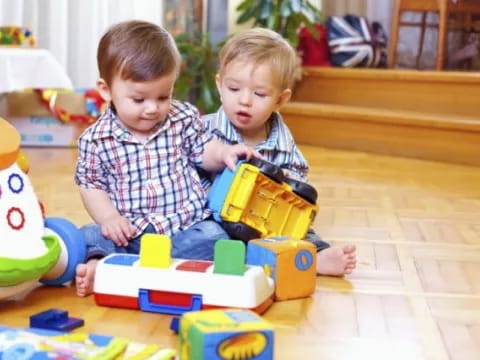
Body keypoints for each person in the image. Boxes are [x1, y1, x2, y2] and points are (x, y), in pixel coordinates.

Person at [74, 20, 257, 297]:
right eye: (138, 99)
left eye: (164, 96)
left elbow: (203, 150)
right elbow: (91, 185)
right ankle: (105, 265)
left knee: (216, 236)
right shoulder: (95, 139)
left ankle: (132, 272)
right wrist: (109, 217)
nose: (152, 109)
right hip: (131, 235)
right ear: (106, 90)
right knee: (89, 235)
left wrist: (224, 153)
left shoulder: (181, 118)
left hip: (184, 229)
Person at [202, 28, 356, 276]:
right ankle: (254, 260)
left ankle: (314, 258)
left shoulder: (282, 140)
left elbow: (297, 180)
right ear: (219, 85)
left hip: (266, 223)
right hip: (217, 219)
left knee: (302, 233)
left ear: (280, 100)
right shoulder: (203, 129)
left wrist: (280, 184)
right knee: (207, 236)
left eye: (259, 94)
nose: (245, 101)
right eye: (233, 89)